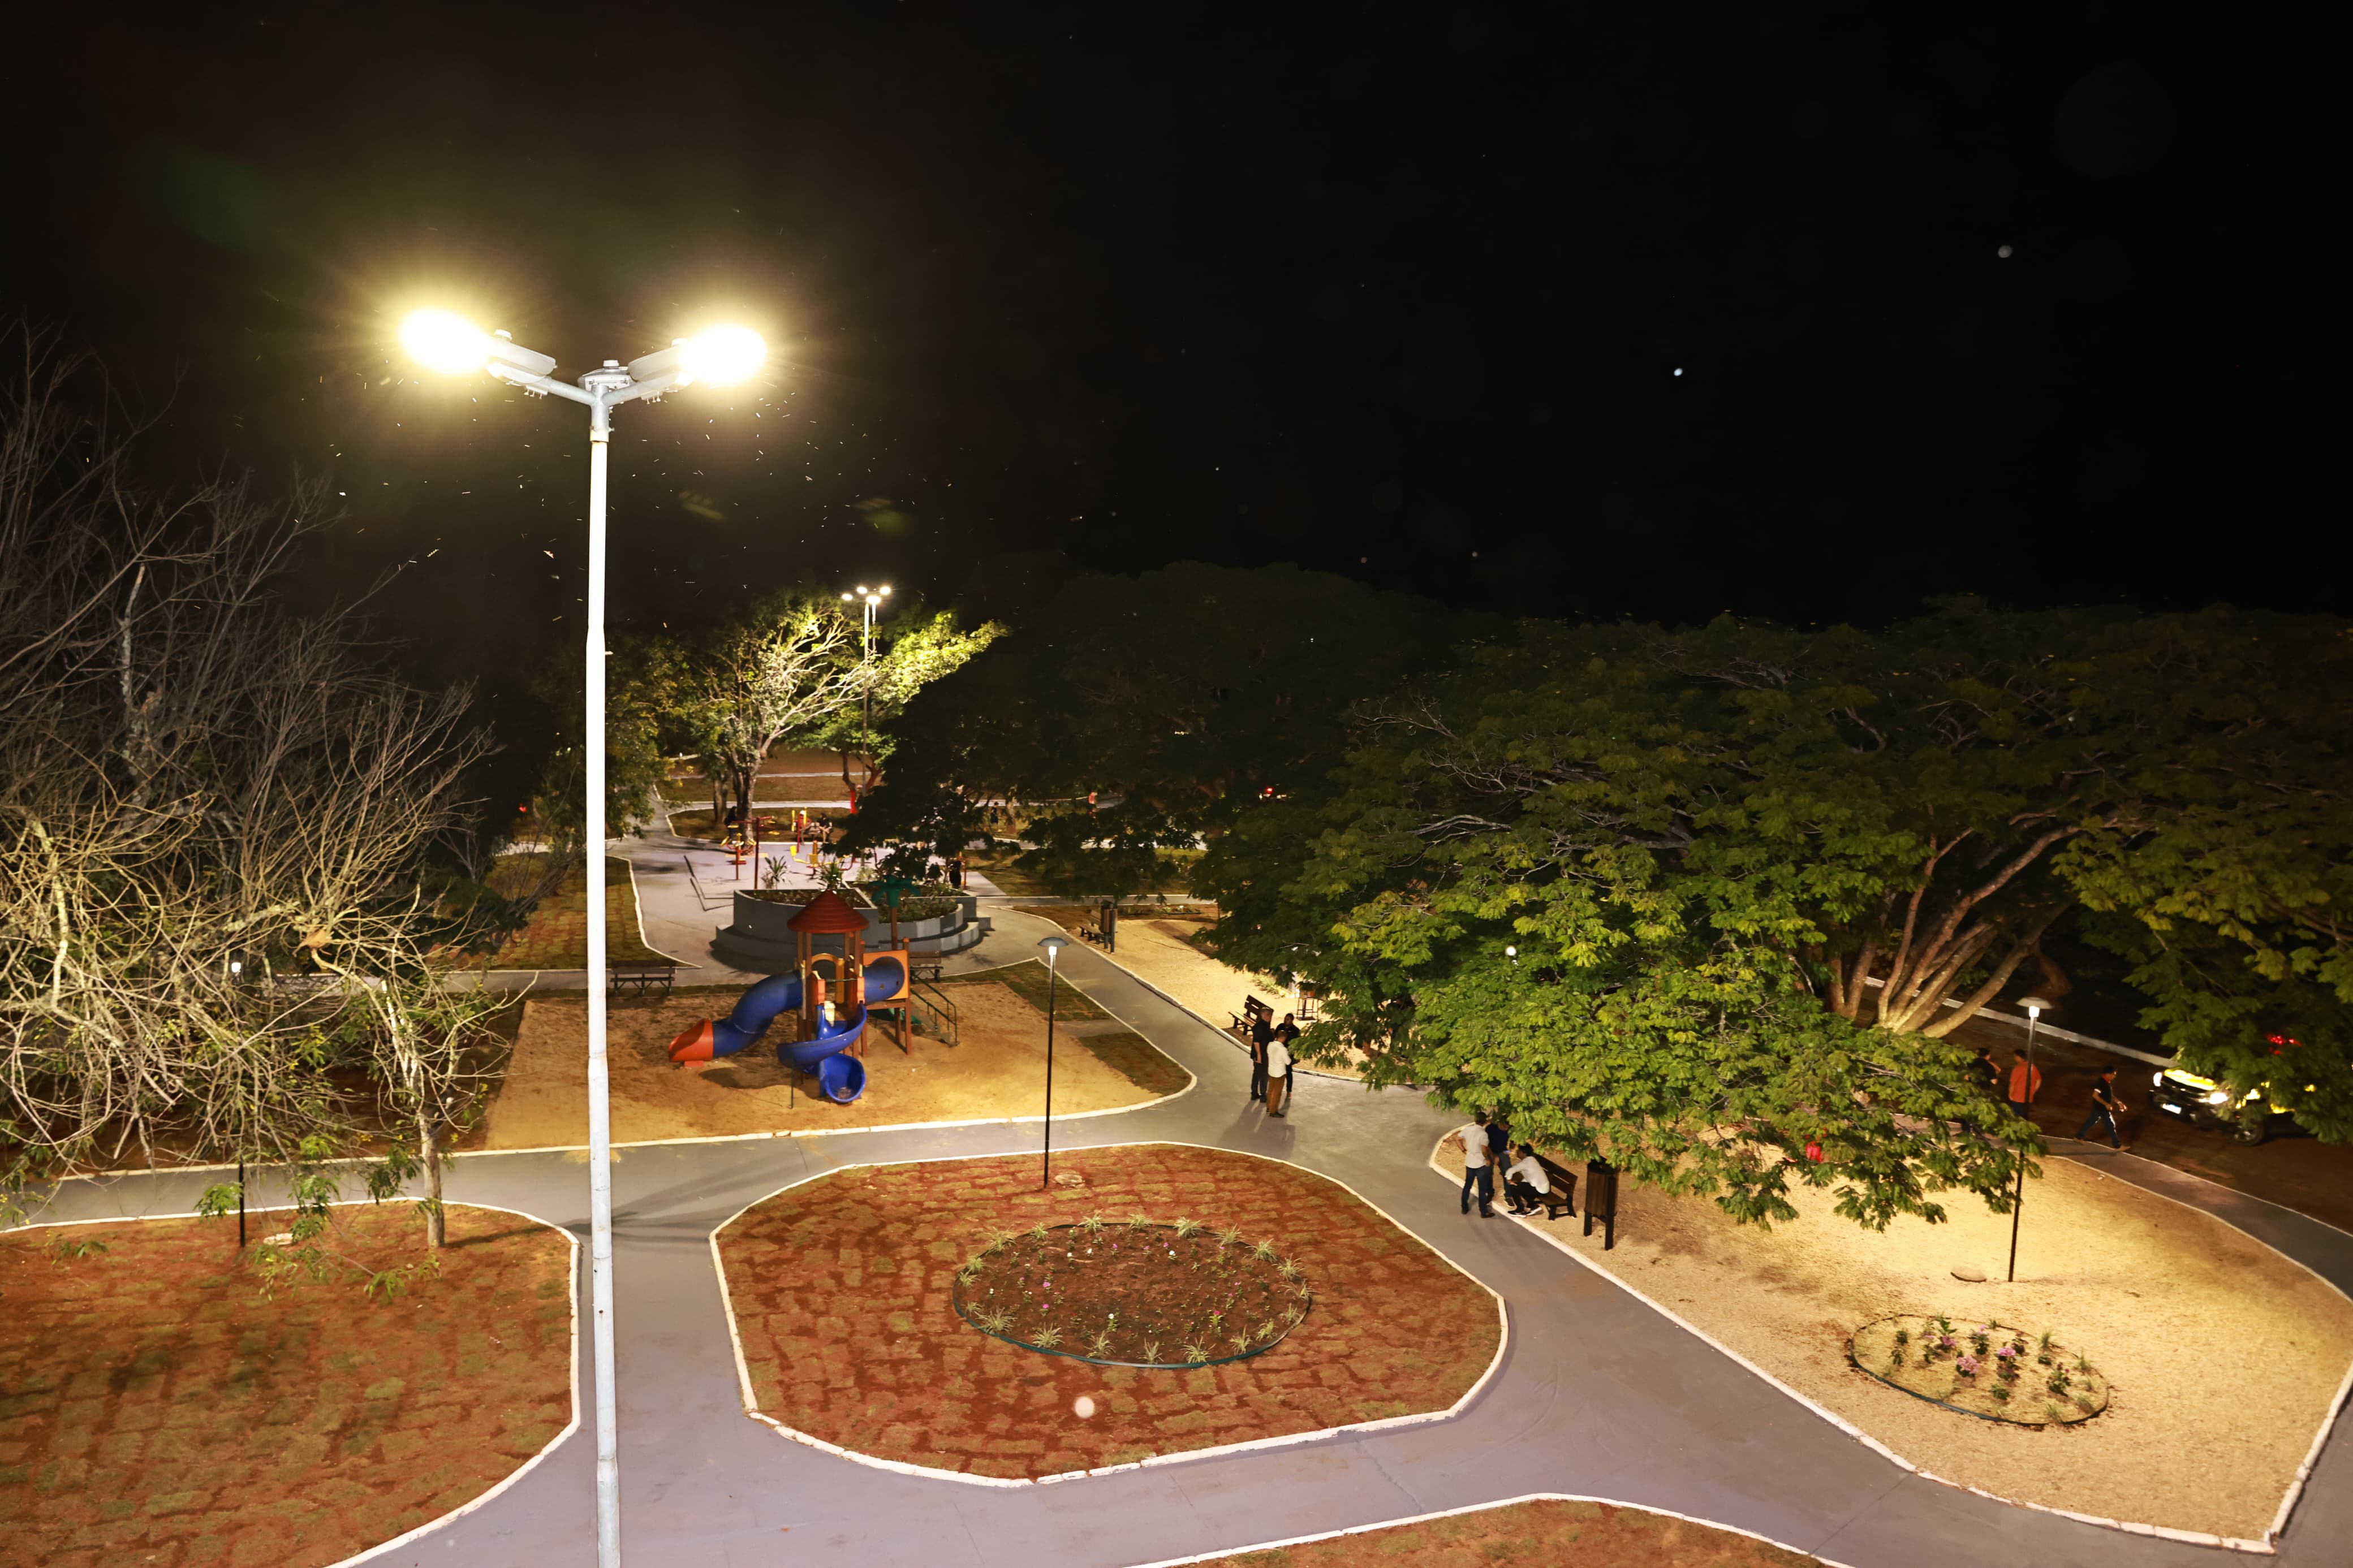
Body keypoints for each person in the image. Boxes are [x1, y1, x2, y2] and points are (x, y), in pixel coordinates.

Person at [2075, 1066, 2128, 1150]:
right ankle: (2117, 1146)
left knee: (2090, 1122)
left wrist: (2119, 1102)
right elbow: (2095, 1095)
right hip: (2102, 1108)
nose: (2114, 1076)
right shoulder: (2102, 1083)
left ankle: (2078, 1137)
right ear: (2108, 1074)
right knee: (2111, 1125)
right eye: (2113, 1074)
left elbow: (2109, 1094)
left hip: (2099, 1108)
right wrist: (2106, 1104)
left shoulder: (2106, 1082)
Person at [1458, 1114, 1495, 1217]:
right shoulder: (1483, 1134)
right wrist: (1487, 1159)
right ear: (1485, 1121)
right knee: (1482, 1189)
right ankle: (1483, 1212)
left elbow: (1457, 1139)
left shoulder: (1468, 1130)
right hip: (1480, 1164)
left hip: (1470, 1162)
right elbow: (1484, 1149)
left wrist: (1464, 1150)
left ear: (1475, 1120)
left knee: (1467, 1186)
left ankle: (1464, 1208)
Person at [1503, 1143, 1551, 1215]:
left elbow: (1510, 1171)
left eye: (1519, 1151)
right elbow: (1529, 1177)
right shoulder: (1531, 1160)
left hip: (1540, 1190)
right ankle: (1533, 1206)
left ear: (1524, 1153)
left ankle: (1520, 1210)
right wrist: (1520, 1186)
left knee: (1513, 1187)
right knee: (1519, 1186)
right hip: (1543, 1188)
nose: (1517, 1152)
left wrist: (1509, 1180)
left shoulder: (1526, 1162)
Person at [1263, 1029, 1292, 1116]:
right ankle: (1273, 1111)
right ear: (1284, 1038)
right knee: (1277, 1093)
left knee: (1270, 1090)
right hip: (1280, 1073)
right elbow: (1288, 1062)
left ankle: (1269, 1107)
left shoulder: (1270, 1045)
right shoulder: (1283, 1049)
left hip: (1271, 1071)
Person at [2007, 1050, 2042, 1117]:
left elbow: (2012, 1084)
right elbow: (2039, 1080)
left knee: (2016, 1116)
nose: (2014, 1058)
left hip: (2017, 1097)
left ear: (2018, 1057)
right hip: (2028, 1097)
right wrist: (2033, 1091)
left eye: (2015, 1057)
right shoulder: (2032, 1067)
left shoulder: (2017, 1068)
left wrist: (2010, 1094)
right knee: (2024, 1115)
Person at [1248, 1012, 1273, 1103]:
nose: (1270, 1016)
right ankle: (1262, 1094)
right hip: (1261, 1054)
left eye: (1270, 1015)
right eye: (1268, 1015)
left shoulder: (1265, 1025)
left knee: (1258, 1074)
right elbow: (1256, 1041)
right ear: (1262, 1015)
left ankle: (1255, 1093)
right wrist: (1259, 1055)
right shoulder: (1260, 1027)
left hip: (1263, 1054)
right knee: (1263, 1075)